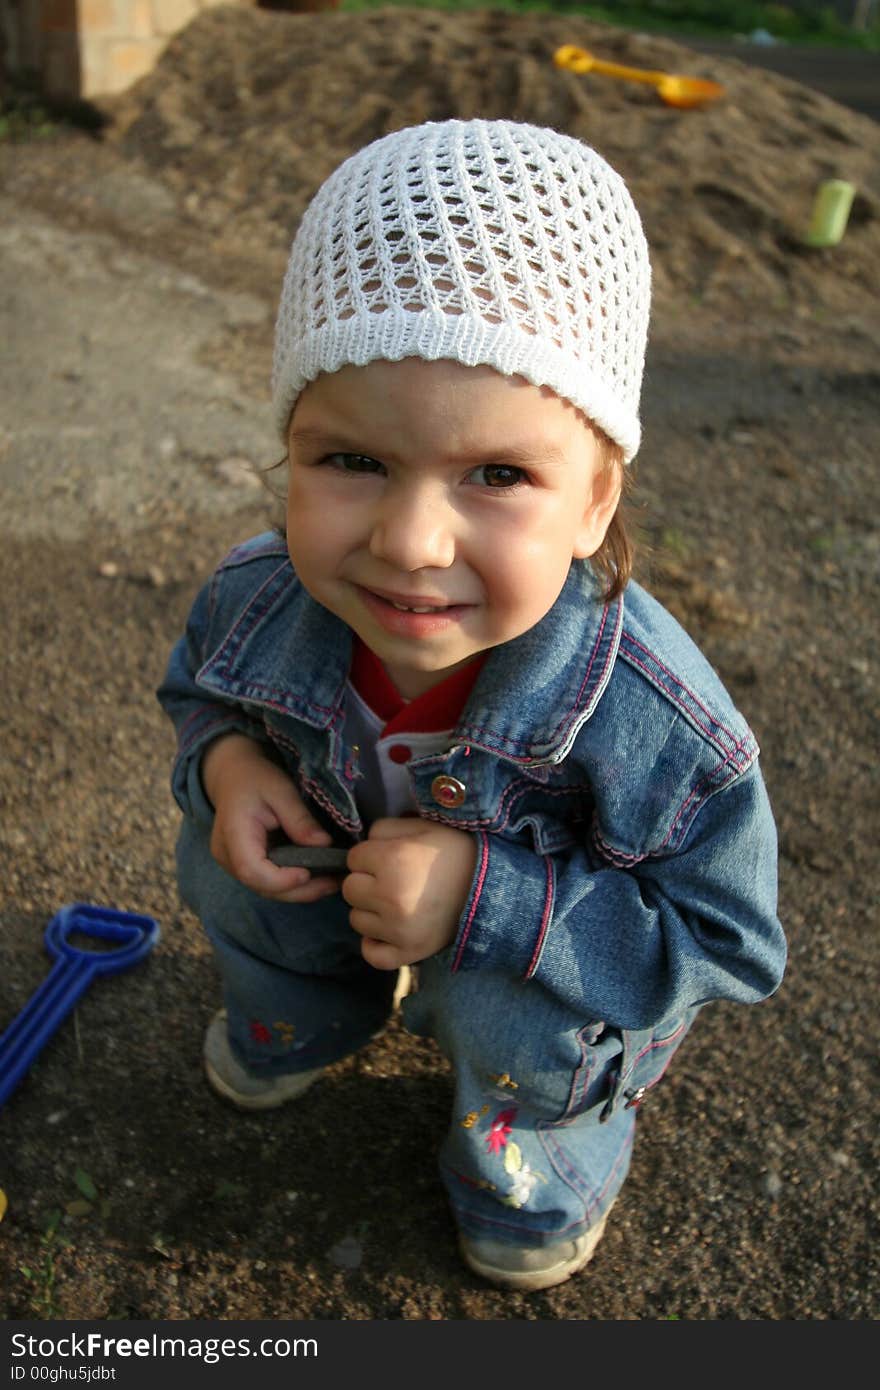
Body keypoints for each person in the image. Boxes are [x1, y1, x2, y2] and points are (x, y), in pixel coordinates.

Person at [157, 119, 785, 1292]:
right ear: (287, 444)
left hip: (529, 996)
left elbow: (729, 942)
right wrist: (226, 766)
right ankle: (303, 1011)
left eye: (496, 475)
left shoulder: (655, 718)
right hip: (335, 882)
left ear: (595, 500)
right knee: (226, 851)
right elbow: (196, 692)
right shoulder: (257, 596)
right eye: (351, 461)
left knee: (512, 1014)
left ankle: (530, 1166)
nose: (408, 543)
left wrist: (488, 900)